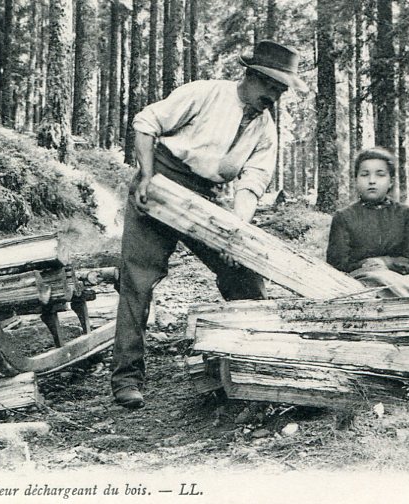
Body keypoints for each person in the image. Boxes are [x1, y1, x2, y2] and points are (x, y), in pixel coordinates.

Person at [111, 40, 308, 409]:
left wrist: (236, 233)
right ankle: (126, 378)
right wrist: (147, 177)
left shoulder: (266, 131)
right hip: (162, 180)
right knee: (137, 279)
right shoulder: (204, 93)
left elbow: (251, 184)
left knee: (245, 276)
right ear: (251, 76)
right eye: (271, 86)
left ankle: (259, 360)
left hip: (207, 198)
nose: (274, 97)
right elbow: (146, 124)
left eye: (281, 90)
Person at [325, 146, 409, 298]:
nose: (372, 181)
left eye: (380, 175)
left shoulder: (407, 215)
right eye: (365, 175)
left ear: (391, 181)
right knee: (377, 281)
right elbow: (336, 264)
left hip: (402, 279)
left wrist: (387, 263)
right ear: (356, 180)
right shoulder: (344, 217)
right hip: (359, 285)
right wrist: (365, 265)